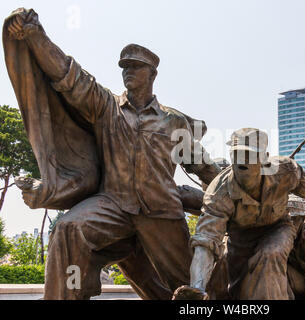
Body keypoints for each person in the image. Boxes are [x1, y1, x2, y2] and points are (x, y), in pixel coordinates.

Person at [4, 8, 221, 299]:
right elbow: (69, 76)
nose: (128, 72)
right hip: (112, 205)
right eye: (125, 67)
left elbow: (203, 168)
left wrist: (234, 194)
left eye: (136, 67)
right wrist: (35, 36)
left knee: (194, 285)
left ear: (153, 73)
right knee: (68, 228)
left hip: (161, 212)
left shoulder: (173, 122)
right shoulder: (107, 108)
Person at [178, 128, 305, 300]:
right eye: (236, 154)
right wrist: (196, 288)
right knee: (238, 288)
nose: (241, 160)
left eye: (248, 154)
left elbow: (300, 185)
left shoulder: (284, 170)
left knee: (270, 254)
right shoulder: (219, 193)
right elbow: (206, 241)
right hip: (240, 238)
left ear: (263, 158)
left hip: (278, 228)